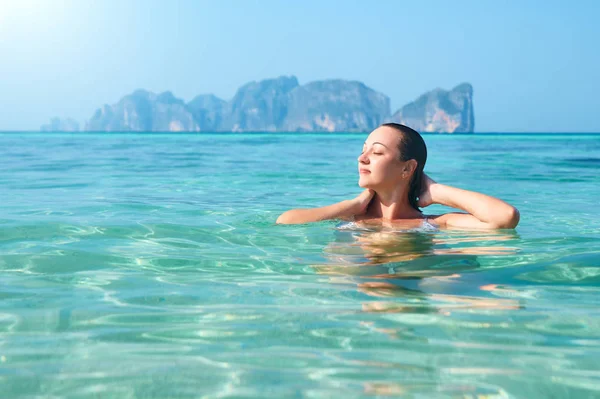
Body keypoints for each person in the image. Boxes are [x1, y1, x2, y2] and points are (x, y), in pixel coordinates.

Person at [276, 123, 520, 229]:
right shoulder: (350, 218)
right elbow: (285, 221)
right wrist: (350, 205)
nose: (362, 158)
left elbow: (504, 218)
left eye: (378, 152)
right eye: (363, 150)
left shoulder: (434, 224)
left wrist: (436, 191)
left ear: (407, 168)